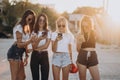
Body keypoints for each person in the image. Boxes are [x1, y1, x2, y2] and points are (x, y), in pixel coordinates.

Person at [7, 9, 36, 80]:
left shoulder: (27, 27)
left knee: (22, 77)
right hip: (14, 53)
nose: (30, 21)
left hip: (20, 53)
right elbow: (19, 44)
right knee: (15, 78)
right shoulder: (19, 27)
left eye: (32, 19)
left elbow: (24, 43)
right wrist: (30, 41)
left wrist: (26, 55)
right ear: (25, 17)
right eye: (29, 19)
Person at [76, 15, 100, 80]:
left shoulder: (93, 32)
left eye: (86, 26)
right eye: (83, 26)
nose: (85, 28)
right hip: (82, 56)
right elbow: (78, 50)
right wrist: (79, 43)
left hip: (92, 56)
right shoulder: (79, 34)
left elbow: (101, 35)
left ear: (90, 25)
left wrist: (95, 22)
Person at [30, 13, 51, 80]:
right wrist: (39, 39)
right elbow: (33, 47)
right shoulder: (34, 32)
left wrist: (36, 48)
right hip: (35, 56)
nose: (42, 22)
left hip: (44, 55)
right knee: (35, 78)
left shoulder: (48, 32)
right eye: (40, 20)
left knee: (45, 78)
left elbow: (46, 46)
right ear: (37, 21)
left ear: (45, 22)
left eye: (43, 20)